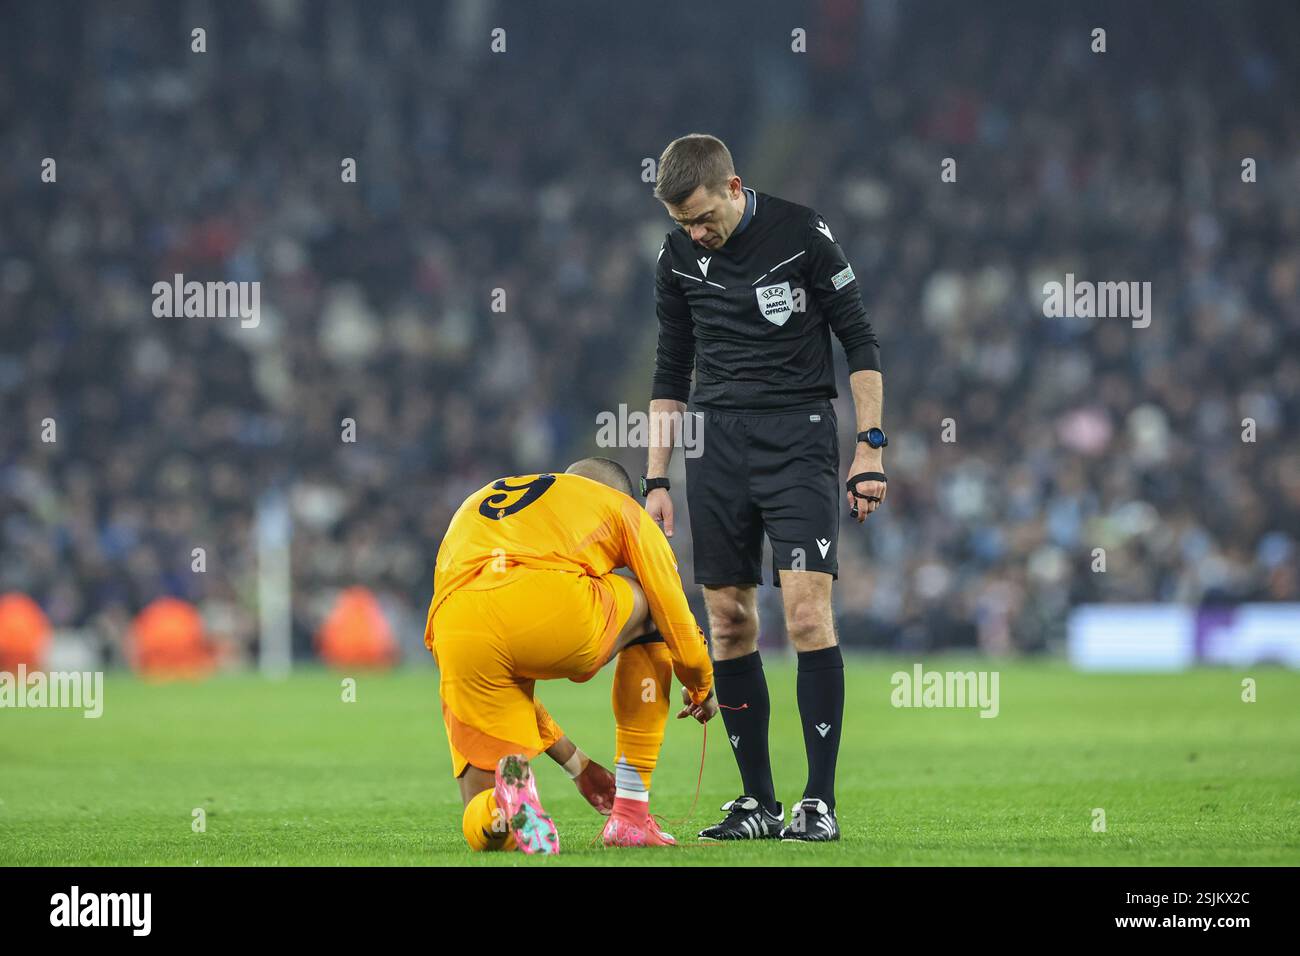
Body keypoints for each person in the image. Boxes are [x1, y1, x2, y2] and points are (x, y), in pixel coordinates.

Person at [644, 133, 888, 842]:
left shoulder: (803, 232)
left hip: (799, 437)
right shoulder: (676, 258)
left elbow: (861, 342)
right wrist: (656, 477)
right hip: (715, 445)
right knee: (727, 620)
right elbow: (669, 370)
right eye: (682, 222)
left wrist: (869, 447)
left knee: (808, 614)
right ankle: (757, 803)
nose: (695, 232)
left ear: (733, 186)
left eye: (701, 217)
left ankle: (819, 801)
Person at [424, 457, 717, 854]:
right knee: (649, 607)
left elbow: (497, 636)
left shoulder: (481, 498)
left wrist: (576, 764)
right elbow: (674, 610)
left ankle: (503, 806)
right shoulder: (619, 506)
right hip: (549, 608)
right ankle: (630, 814)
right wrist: (700, 683)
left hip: (457, 628)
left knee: (489, 822)